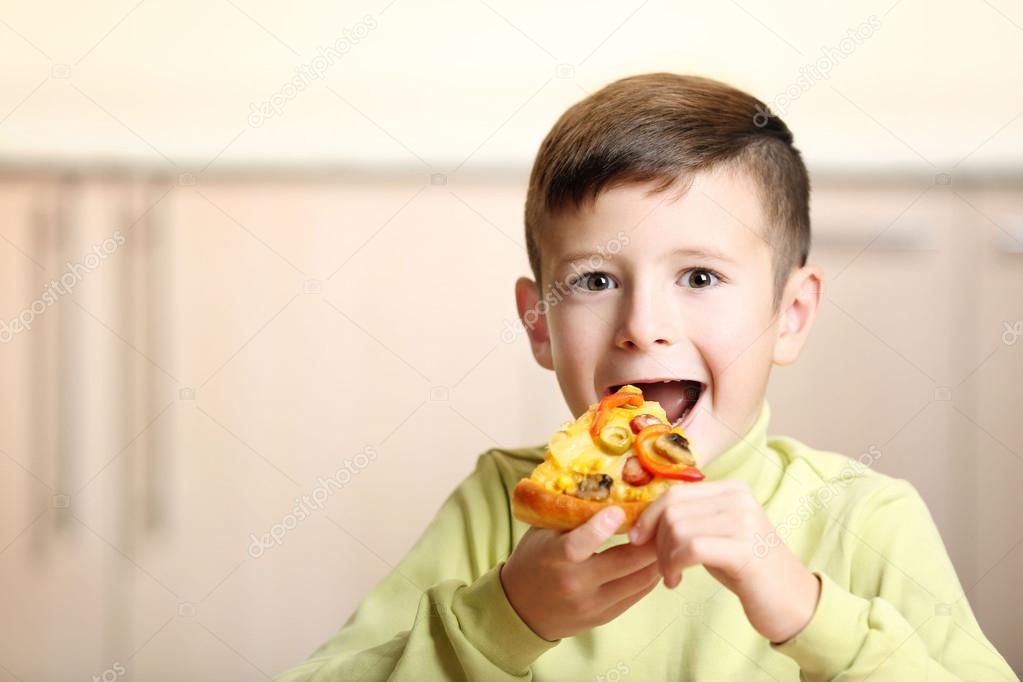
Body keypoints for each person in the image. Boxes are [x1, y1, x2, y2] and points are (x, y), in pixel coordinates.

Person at [275, 73, 1017, 681]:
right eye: (595, 282)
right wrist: (503, 620)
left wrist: (808, 615)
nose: (642, 324)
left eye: (698, 275)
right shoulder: (499, 508)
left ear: (788, 315)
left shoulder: (864, 518)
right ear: (539, 324)